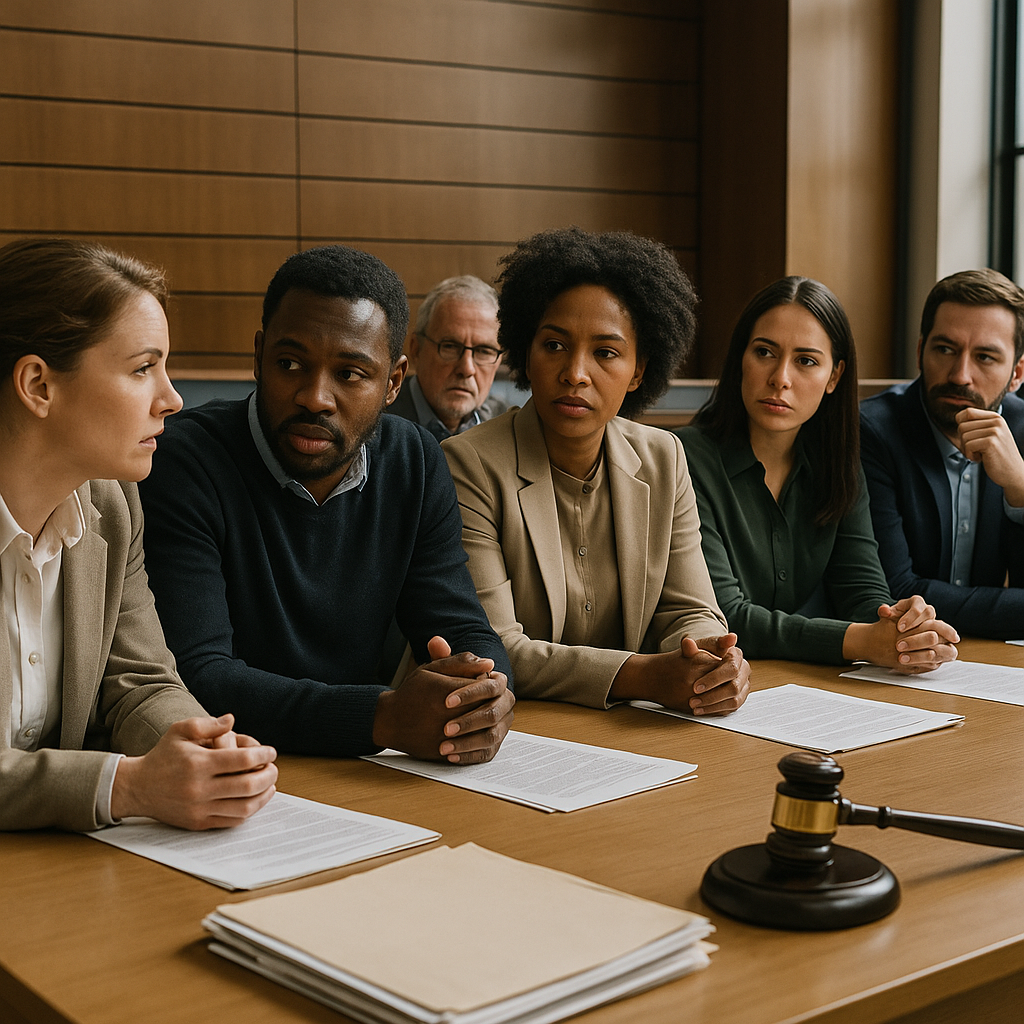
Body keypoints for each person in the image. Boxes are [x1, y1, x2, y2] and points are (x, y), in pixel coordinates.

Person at [139, 245, 514, 764]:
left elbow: (463, 626)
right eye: (290, 363)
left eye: (350, 373)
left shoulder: (415, 461)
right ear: (258, 356)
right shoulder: (184, 461)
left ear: (393, 382)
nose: (315, 396)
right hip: (232, 764)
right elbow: (198, 674)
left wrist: (483, 693)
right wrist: (381, 716)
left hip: (362, 769)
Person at [0, 238, 278, 832]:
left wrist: (205, 753)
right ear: (39, 386)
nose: (172, 399)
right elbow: (121, 783)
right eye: (143, 368)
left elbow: (140, 681)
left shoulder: (113, 502)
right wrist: (124, 786)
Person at [443, 227, 750, 714]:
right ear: (526, 350)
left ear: (640, 369)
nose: (576, 373)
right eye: (555, 346)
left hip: (621, 734)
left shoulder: (663, 458)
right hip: (499, 729)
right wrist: (645, 674)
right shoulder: (467, 463)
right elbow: (495, 647)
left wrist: (712, 660)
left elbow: (690, 609)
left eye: (606, 352)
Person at [678, 276, 959, 669]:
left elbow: (861, 594)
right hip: (714, 685)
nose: (781, 378)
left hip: (798, 685)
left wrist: (902, 628)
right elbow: (725, 618)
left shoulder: (839, 465)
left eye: (806, 361)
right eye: (764, 352)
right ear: (740, 358)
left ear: (835, 376)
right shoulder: (683, 458)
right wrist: (860, 640)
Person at [860, 269, 1024, 638]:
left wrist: (1020, 488)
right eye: (945, 350)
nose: (961, 375)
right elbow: (895, 591)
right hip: (896, 655)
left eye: (985, 357)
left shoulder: (1023, 431)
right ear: (921, 352)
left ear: (1017, 374)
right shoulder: (872, 431)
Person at [386, 275, 508, 440]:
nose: (467, 369)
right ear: (416, 350)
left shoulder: (508, 429)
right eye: (450, 347)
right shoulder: (377, 423)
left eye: (484, 351)